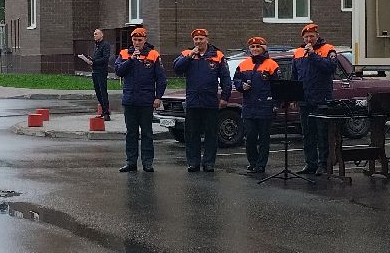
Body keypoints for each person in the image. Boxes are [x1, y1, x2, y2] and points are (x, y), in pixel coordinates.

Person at [172, 28, 231, 173]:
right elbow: (177, 69)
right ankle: (193, 163)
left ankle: (209, 163)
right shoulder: (187, 53)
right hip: (193, 102)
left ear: (207, 39)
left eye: (201, 39)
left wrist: (225, 97)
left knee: (211, 134)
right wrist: (189, 56)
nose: (198, 41)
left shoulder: (217, 55)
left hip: (210, 101)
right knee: (192, 135)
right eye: (196, 39)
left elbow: (225, 78)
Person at [114, 27, 165, 173]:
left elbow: (161, 79)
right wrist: (131, 59)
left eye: (140, 40)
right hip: (130, 100)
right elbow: (119, 71)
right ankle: (131, 162)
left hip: (146, 100)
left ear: (145, 40)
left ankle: (147, 162)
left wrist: (158, 97)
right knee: (131, 133)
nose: (137, 42)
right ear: (132, 40)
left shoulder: (153, 54)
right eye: (135, 40)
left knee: (147, 133)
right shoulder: (125, 54)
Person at [292, 23, 338, 176]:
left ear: (317, 36)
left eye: (311, 36)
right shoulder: (298, 52)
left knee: (322, 133)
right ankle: (310, 163)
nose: (309, 39)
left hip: (321, 99)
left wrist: (313, 55)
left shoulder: (328, 49)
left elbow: (330, 68)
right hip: (305, 99)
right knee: (307, 134)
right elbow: (295, 77)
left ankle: (323, 164)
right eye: (306, 37)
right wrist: (293, 97)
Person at [232, 37, 278, 174]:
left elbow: (277, 86)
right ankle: (252, 162)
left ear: (264, 48)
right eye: (252, 47)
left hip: (265, 105)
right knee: (250, 136)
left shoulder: (272, 64)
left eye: (258, 47)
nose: (255, 49)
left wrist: (275, 104)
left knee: (264, 137)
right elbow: (236, 79)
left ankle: (261, 164)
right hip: (249, 106)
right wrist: (241, 85)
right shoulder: (244, 64)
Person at [77, 28, 113, 121]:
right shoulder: (96, 45)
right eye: (94, 34)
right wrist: (90, 60)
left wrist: (94, 62)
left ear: (102, 35)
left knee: (103, 91)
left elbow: (105, 58)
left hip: (101, 71)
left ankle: (106, 113)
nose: (95, 36)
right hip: (95, 71)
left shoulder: (105, 45)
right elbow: (97, 57)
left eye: (96, 34)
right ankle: (104, 110)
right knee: (98, 92)